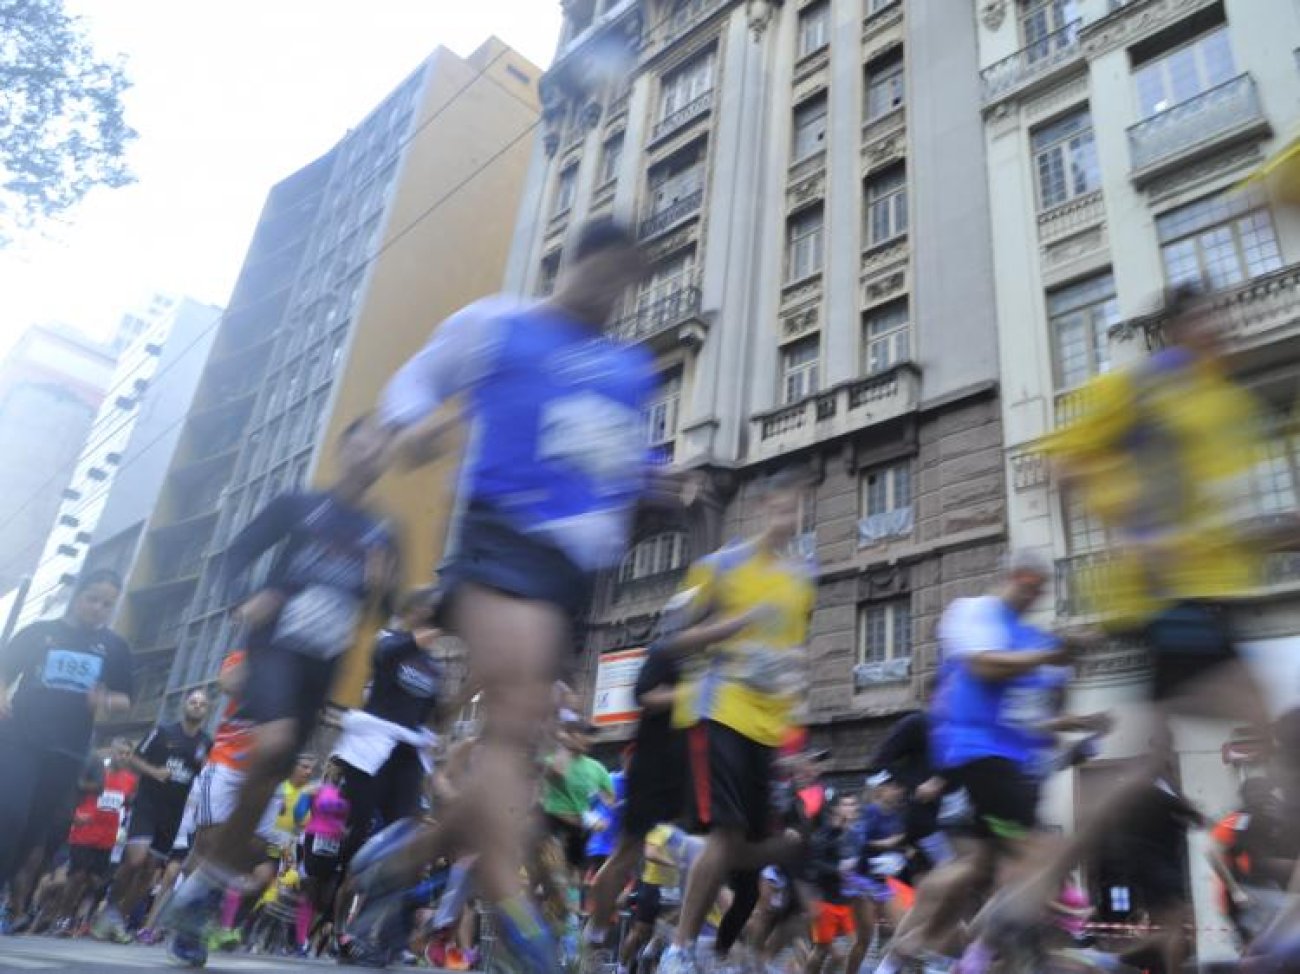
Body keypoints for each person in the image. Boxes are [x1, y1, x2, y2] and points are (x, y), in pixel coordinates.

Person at [352, 218, 664, 974]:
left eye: (627, 283)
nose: (612, 295)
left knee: (518, 735)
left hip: (570, 570)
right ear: (573, 263)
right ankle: (506, 901)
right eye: (604, 275)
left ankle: (416, 852)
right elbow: (418, 384)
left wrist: (659, 481)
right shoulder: (497, 325)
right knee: (519, 707)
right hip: (498, 538)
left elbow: (618, 463)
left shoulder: (628, 369)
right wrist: (409, 432)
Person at [160, 414, 400, 966]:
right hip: (273, 648)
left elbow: (384, 608)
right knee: (271, 748)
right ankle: (202, 888)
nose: (376, 451)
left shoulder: (382, 535)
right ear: (346, 446)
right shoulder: (299, 505)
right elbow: (237, 552)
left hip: (321, 668)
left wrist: (384, 592)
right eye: (367, 439)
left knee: (268, 777)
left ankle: (200, 891)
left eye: (386, 446)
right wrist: (245, 597)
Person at [872, 552, 1088, 974]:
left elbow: (1038, 718)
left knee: (983, 871)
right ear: (1009, 575)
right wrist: (1051, 658)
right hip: (977, 758)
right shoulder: (973, 612)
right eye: (1027, 580)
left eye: (1040, 586)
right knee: (1029, 860)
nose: (1032, 591)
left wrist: (1072, 704)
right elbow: (984, 664)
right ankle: (982, 957)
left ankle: (913, 955)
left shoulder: (1033, 639)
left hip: (1011, 767)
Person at [659, 470, 817, 974]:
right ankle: (678, 948)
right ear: (760, 509)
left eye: (795, 508)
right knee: (727, 836)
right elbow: (672, 638)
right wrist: (735, 624)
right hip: (720, 708)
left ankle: (690, 866)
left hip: (770, 729)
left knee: (764, 848)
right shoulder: (721, 565)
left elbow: (792, 651)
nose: (786, 517)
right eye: (777, 507)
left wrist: (797, 705)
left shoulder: (800, 580)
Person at [0, 568, 132, 918]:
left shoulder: (115, 648)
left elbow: (126, 699)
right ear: (77, 596)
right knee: (9, 814)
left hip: (68, 751)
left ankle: (7, 893)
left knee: (34, 831)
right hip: (21, 739)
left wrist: (105, 700)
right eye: (93, 599)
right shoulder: (40, 633)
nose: (98, 608)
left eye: (107, 604)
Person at [582, 634, 686, 964]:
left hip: (684, 770)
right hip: (612, 836)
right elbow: (645, 694)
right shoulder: (666, 650)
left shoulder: (711, 661)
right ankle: (594, 934)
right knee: (624, 858)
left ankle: (675, 948)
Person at [332, 587, 443, 871]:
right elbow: (386, 655)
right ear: (413, 611)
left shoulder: (435, 667)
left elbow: (432, 715)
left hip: (406, 751)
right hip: (373, 744)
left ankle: (376, 896)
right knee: (363, 825)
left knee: (401, 828)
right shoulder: (389, 641)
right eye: (431, 606)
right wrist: (420, 639)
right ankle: (339, 889)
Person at [95, 689, 212, 942]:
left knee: (149, 871)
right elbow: (134, 759)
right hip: (148, 804)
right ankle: (109, 909)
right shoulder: (162, 732)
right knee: (135, 860)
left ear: (207, 711)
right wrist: (154, 771)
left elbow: (206, 773)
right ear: (184, 705)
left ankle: (118, 921)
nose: (197, 706)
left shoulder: (206, 743)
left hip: (173, 814)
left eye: (202, 704)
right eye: (193, 701)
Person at [54, 741, 138, 936]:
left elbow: (126, 805)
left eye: (127, 754)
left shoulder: (131, 780)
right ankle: (63, 918)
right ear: (112, 752)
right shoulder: (96, 773)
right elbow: (76, 792)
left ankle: (80, 918)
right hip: (84, 833)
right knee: (77, 876)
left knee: (95, 882)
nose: (123, 757)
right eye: (120, 752)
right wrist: (74, 814)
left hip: (108, 839)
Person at [805, 792, 860, 974]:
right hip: (825, 901)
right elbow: (814, 864)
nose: (849, 810)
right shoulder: (821, 836)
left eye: (852, 805)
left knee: (855, 947)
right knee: (821, 950)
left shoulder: (853, 834)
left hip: (845, 901)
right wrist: (838, 870)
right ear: (833, 811)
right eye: (845, 805)